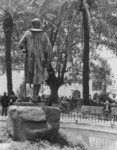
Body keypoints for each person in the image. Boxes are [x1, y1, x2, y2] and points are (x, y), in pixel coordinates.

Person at [18, 18, 52, 103]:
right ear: (39, 24)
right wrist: (47, 61)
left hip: (29, 59)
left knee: (26, 78)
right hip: (40, 60)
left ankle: (20, 96)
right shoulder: (44, 35)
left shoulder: (27, 33)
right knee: (38, 79)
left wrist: (24, 51)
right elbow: (49, 48)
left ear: (32, 24)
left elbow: (20, 44)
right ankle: (35, 97)